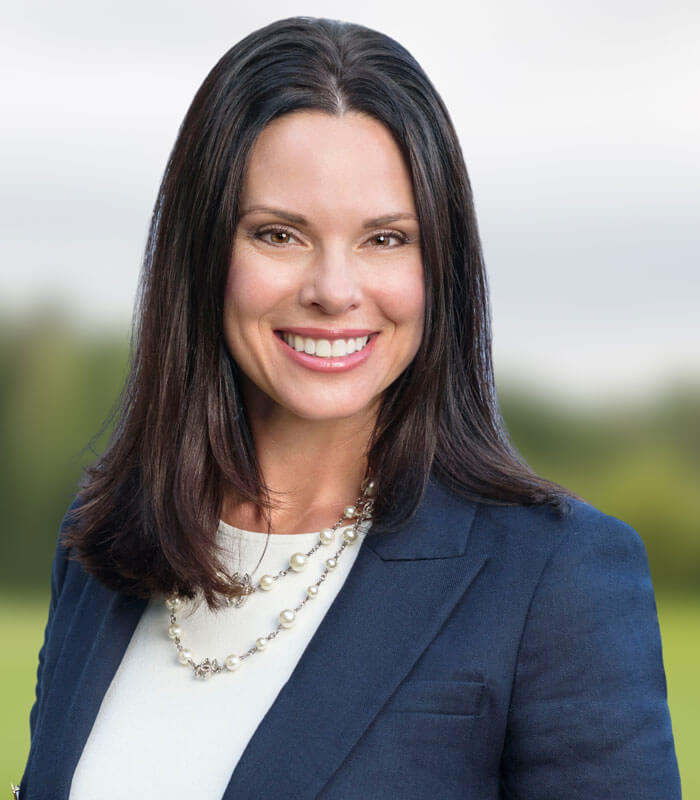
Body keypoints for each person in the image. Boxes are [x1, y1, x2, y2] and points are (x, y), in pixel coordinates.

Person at [18, 15, 680, 800]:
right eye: (278, 234)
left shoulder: (556, 578)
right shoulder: (101, 545)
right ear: (201, 254)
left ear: (442, 264)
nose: (334, 289)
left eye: (387, 239)